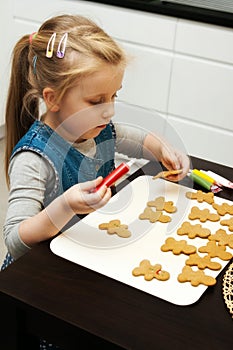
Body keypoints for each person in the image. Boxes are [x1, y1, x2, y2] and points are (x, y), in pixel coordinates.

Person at [2, 13, 190, 267]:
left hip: (86, 260)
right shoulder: (33, 159)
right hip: (39, 278)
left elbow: (142, 140)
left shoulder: (99, 129)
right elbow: (14, 241)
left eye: (114, 96)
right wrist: (65, 206)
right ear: (53, 98)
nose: (109, 110)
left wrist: (165, 150)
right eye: (96, 101)